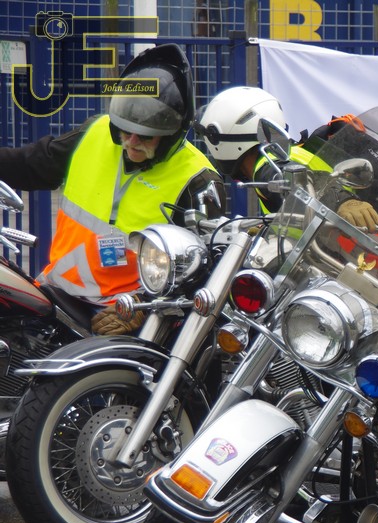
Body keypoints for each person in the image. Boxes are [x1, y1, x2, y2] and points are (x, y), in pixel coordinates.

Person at [0, 44, 226, 335]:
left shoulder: (197, 180)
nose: (131, 141)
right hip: (59, 292)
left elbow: (206, 269)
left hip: (121, 317)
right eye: (125, 130)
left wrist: (143, 307)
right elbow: (31, 164)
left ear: (172, 133)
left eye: (145, 136)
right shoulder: (95, 134)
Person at [194, 86, 378, 230]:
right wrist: (268, 229)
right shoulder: (291, 152)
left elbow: (293, 179)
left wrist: (342, 201)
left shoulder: (267, 163)